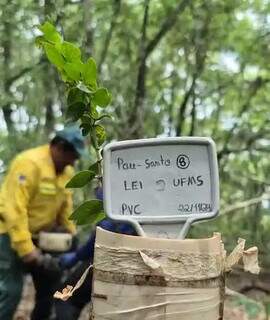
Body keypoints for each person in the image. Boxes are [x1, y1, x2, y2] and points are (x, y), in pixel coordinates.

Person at [0, 126, 85, 320]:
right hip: (9, 235)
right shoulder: (29, 164)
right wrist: (27, 250)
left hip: (41, 237)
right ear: (60, 148)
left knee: (50, 289)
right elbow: (14, 209)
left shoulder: (66, 172)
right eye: (72, 156)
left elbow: (65, 209)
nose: (74, 161)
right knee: (10, 291)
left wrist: (71, 237)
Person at [54, 188, 137, 320]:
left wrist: (75, 257)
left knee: (65, 296)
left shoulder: (117, 187)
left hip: (112, 259)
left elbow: (104, 233)